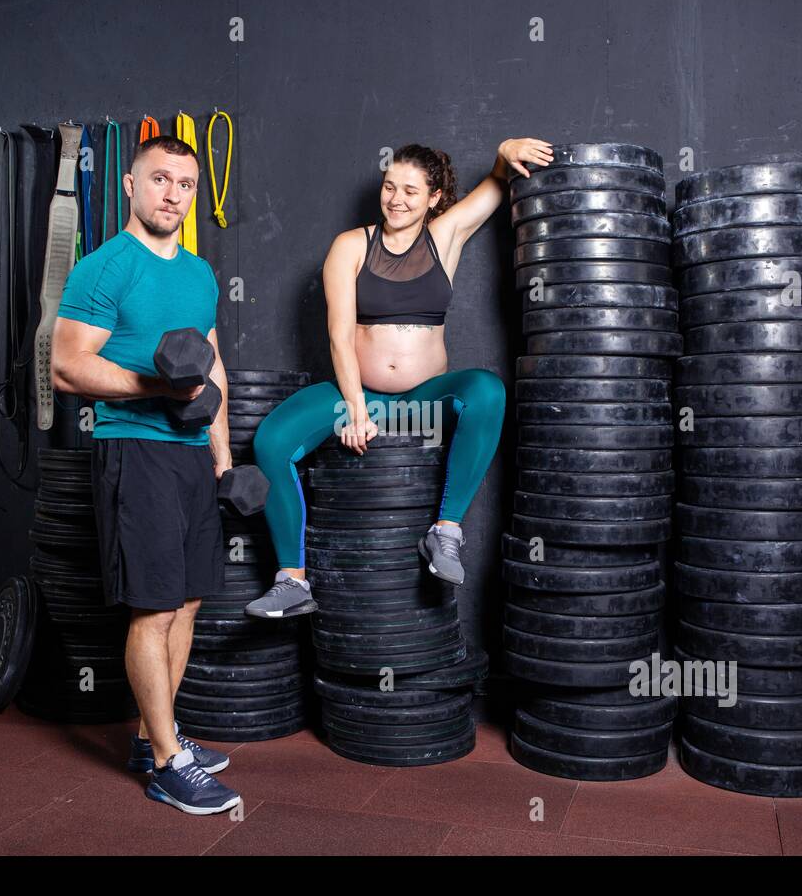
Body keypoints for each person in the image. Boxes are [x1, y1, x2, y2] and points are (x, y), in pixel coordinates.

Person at [246, 138, 554, 618]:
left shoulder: (446, 235)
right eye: (390, 187)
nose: (397, 198)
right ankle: (292, 580)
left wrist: (504, 150)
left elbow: (497, 181)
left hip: (422, 402)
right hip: (360, 396)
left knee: (487, 391)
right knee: (270, 441)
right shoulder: (350, 246)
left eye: (411, 190)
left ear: (433, 198)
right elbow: (339, 336)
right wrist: (353, 406)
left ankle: (445, 532)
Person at [51, 134, 241, 816]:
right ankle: (168, 764)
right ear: (130, 186)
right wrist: (159, 389)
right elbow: (68, 366)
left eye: (185, 185)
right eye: (160, 180)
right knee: (154, 606)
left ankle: (147, 736)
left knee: (188, 600)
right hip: (134, 450)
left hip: (192, 456)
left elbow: (210, 365)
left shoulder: (198, 274)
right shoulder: (105, 268)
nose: (173, 194)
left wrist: (223, 455)